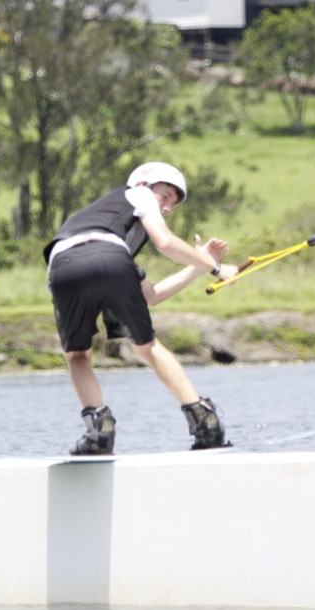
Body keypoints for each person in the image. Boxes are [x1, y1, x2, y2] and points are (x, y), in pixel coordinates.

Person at [43, 161, 240, 455]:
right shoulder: (138, 193)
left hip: (64, 268)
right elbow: (165, 241)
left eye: (174, 202)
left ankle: (99, 431)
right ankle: (205, 423)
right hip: (107, 261)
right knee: (147, 347)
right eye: (166, 196)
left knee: (77, 355)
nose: (168, 206)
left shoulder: (113, 233)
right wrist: (215, 268)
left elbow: (149, 295)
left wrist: (196, 267)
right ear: (146, 185)